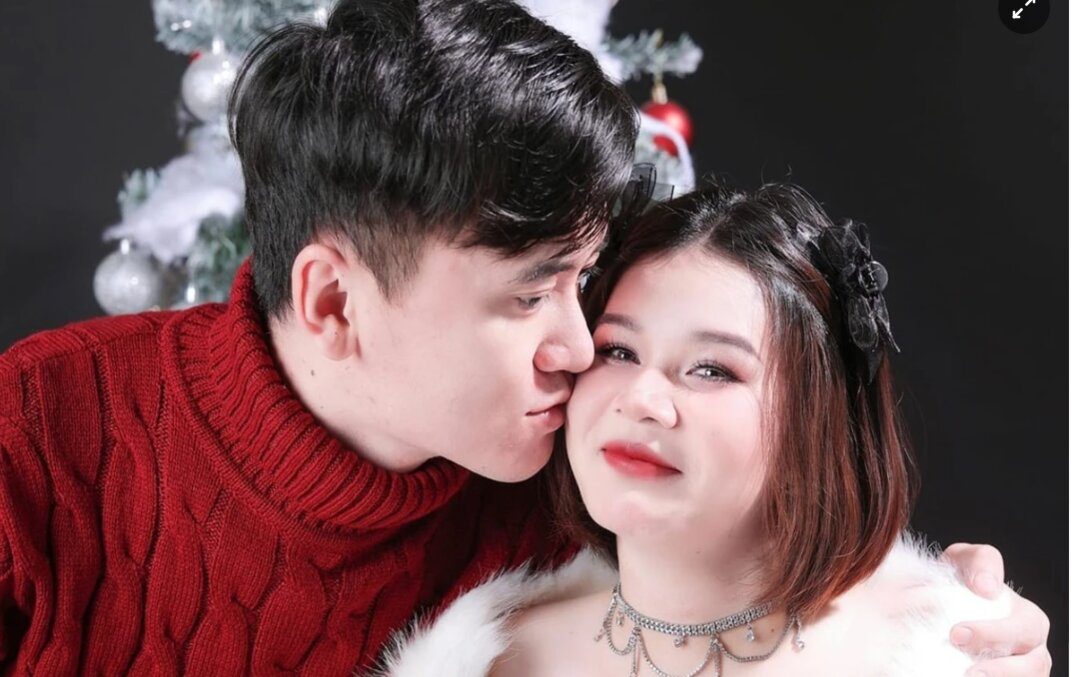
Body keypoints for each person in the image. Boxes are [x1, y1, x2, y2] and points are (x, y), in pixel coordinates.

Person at [0, 1, 1049, 675]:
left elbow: (766, 551)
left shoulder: (569, 473)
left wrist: (948, 619)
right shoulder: (41, 431)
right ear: (332, 304)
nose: (581, 349)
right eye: (524, 294)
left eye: (581, 282)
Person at [375, 180, 1051, 677]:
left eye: (711, 369)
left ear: (815, 423)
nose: (643, 399)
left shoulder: (947, 653)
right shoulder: (487, 659)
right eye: (617, 350)